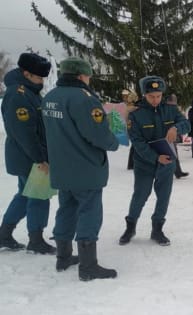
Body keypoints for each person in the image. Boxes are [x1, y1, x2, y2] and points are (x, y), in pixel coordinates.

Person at [42, 57, 119, 280]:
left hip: (62, 166)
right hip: (85, 167)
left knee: (66, 208)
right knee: (89, 212)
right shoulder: (85, 100)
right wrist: (113, 143)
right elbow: (98, 134)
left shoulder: (50, 98)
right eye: (87, 75)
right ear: (80, 76)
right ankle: (88, 266)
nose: (89, 79)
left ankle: (63, 256)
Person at [119, 76, 190, 246]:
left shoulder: (170, 109)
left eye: (158, 96)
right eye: (151, 96)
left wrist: (175, 128)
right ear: (144, 95)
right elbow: (137, 141)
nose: (156, 100)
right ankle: (130, 226)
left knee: (163, 196)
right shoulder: (136, 114)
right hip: (145, 163)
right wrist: (155, 157)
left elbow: (186, 124)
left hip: (167, 162)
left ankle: (157, 229)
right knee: (140, 195)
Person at [0, 52, 56, 254]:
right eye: (39, 77)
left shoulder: (29, 92)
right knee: (39, 196)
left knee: (25, 195)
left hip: (28, 155)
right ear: (26, 73)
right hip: (30, 156)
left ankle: (4, 235)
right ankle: (36, 240)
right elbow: (24, 133)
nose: (42, 81)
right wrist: (40, 158)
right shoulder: (19, 95)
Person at [167, 94, 189, 178]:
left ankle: (178, 172)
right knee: (171, 154)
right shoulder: (168, 109)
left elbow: (182, 122)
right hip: (167, 136)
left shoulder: (174, 110)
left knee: (174, 154)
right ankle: (175, 172)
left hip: (172, 135)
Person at [123, 89, 139, 170]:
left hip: (131, 129)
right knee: (134, 147)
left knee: (134, 147)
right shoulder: (132, 108)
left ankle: (131, 164)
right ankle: (131, 164)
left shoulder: (129, 107)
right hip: (133, 129)